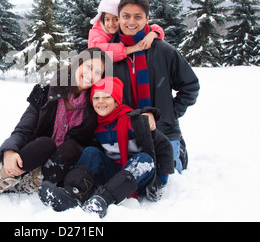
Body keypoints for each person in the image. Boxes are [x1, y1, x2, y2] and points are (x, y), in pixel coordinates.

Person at [0, 47, 110, 205]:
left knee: (71, 147)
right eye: (89, 67)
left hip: (59, 167)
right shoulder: (46, 90)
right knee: (45, 143)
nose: (91, 75)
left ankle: (29, 183)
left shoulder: (96, 105)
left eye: (98, 73)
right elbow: (25, 127)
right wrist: (10, 150)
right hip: (33, 156)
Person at [38, 77, 174, 218]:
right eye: (96, 98)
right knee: (91, 152)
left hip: (139, 177)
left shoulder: (135, 121)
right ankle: (72, 194)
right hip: (114, 174)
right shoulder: (96, 126)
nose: (100, 101)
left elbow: (164, 146)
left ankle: (103, 200)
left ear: (116, 101)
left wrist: (161, 181)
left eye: (106, 97)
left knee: (144, 159)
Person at [110, 0, 200, 173]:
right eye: (126, 16)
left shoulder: (163, 50)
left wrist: (170, 114)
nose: (131, 22)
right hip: (125, 132)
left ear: (147, 18)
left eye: (138, 17)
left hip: (164, 130)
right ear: (118, 18)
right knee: (129, 180)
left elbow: (190, 86)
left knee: (167, 179)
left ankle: (178, 148)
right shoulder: (110, 54)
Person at [88, 0, 165, 62]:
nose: (111, 23)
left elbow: (155, 28)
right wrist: (132, 49)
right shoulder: (98, 34)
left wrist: (152, 34)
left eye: (115, 19)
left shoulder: (165, 51)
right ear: (102, 20)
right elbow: (99, 52)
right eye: (107, 19)